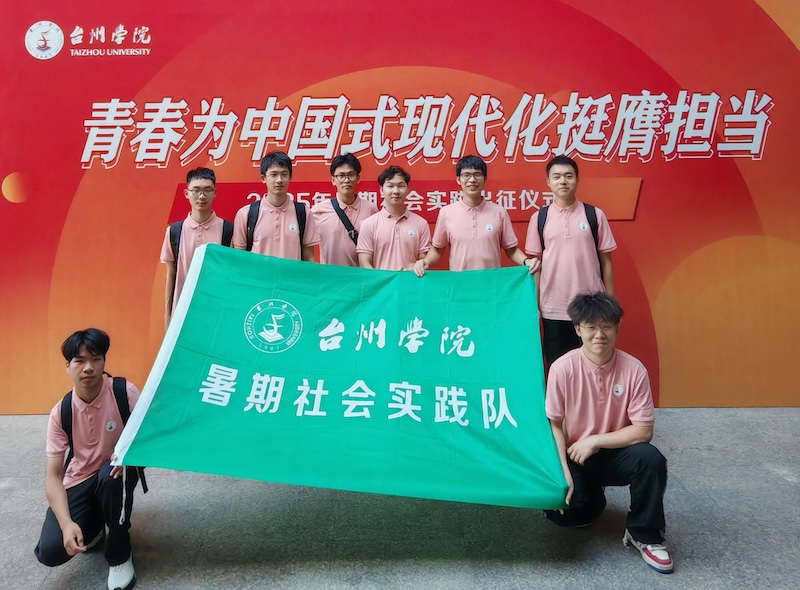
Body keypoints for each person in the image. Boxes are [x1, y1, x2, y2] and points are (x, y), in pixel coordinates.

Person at [545, 292, 673, 574]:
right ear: (577, 329)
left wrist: (596, 441)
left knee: (651, 459)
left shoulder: (634, 370)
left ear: (617, 327)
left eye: (606, 326)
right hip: (575, 455)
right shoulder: (562, 369)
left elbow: (643, 431)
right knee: (569, 513)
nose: (599, 335)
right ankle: (591, 496)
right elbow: (554, 425)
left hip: (615, 453)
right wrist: (561, 473)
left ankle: (645, 533)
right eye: (590, 327)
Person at [35, 329, 141, 590]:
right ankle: (92, 528)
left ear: (104, 361)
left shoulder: (124, 392)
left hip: (117, 472)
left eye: (96, 359)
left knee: (111, 476)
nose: (89, 367)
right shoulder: (61, 411)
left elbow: (147, 438)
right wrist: (66, 523)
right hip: (80, 478)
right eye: (80, 361)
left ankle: (119, 555)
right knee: (50, 551)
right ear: (68, 366)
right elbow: (53, 476)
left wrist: (129, 456)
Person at [524, 155, 616, 368]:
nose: (562, 181)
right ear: (548, 182)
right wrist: (534, 306)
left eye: (568, 176)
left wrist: (610, 304)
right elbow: (535, 266)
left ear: (577, 180)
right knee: (556, 366)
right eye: (556, 177)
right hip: (552, 307)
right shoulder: (539, 218)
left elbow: (607, 262)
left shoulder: (594, 215)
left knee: (592, 366)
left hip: (591, 308)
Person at [413, 154, 541, 276]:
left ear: (485, 178)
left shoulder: (499, 212)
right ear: (458, 179)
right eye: (466, 175)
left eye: (477, 174)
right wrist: (425, 262)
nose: (472, 180)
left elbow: (511, 250)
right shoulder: (446, 213)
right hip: (460, 284)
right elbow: (437, 249)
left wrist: (527, 261)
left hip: (491, 284)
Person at [160, 167, 232, 329]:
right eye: (196, 190)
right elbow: (170, 275)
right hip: (182, 312)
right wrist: (168, 316)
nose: (202, 196)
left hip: (216, 313)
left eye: (207, 190)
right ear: (186, 193)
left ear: (215, 193)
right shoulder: (175, 231)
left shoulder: (227, 230)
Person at [232, 151, 320, 260]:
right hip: (258, 272)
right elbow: (239, 258)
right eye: (273, 175)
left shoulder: (303, 212)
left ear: (290, 177)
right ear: (263, 178)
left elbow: (309, 257)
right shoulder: (246, 214)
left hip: (291, 272)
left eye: (284, 174)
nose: (279, 180)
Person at [357, 165, 431, 270]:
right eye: (390, 186)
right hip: (381, 281)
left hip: (410, 279)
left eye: (401, 186)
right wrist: (383, 278)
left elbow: (424, 260)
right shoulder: (369, 224)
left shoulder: (421, 223)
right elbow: (364, 263)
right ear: (381, 190)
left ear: (408, 190)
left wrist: (414, 269)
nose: (396, 191)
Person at [312, 153, 378, 266]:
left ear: (358, 178)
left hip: (362, 274)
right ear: (333, 180)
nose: (346, 180)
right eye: (341, 176)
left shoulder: (371, 209)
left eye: (351, 175)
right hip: (330, 275)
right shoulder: (318, 211)